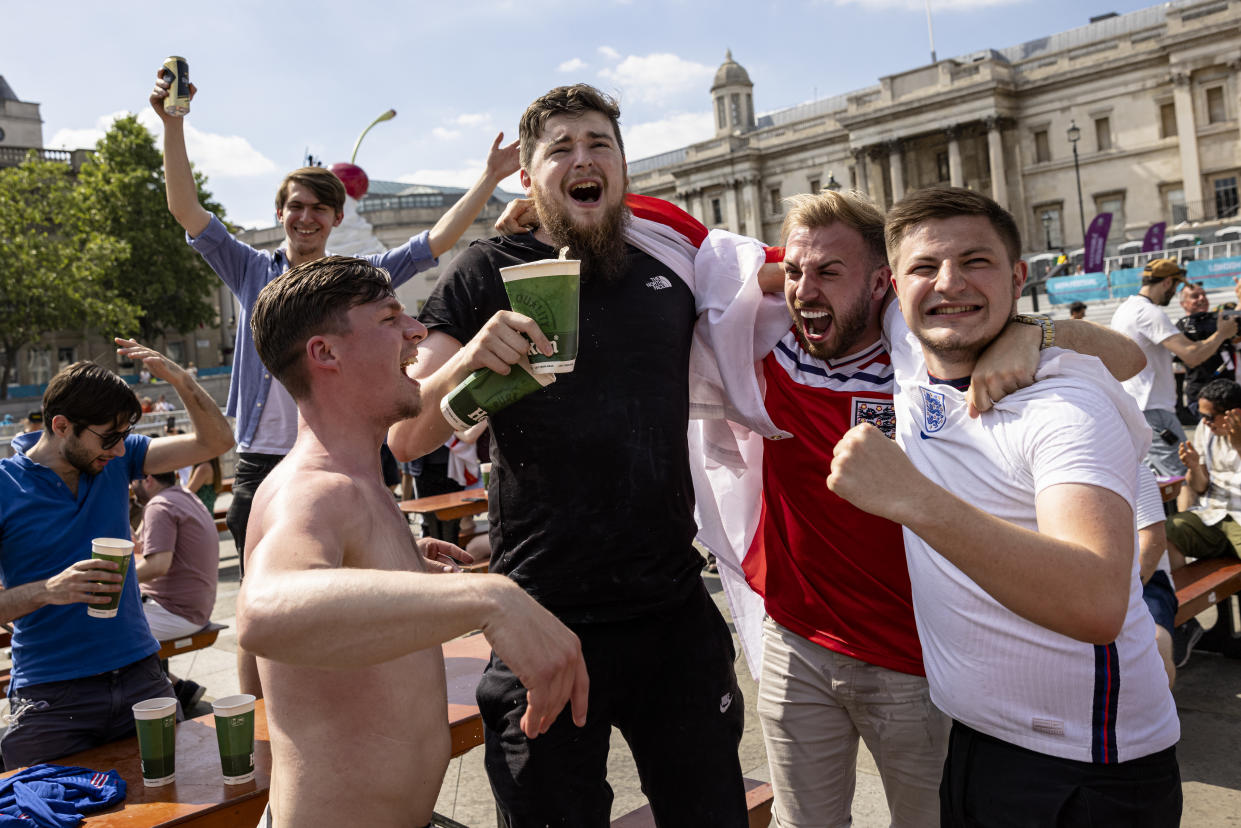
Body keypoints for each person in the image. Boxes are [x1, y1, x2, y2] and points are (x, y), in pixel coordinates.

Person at [389, 84, 750, 826]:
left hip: (672, 609)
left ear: (622, 167)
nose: (582, 159)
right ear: (528, 175)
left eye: (598, 144)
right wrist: (466, 363)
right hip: (542, 615)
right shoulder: (485, 268)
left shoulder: (672, 261)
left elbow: (793, 285)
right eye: (560, 149)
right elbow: (405, 435)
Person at [828, 187, 1181, 825]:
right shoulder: (915, 359)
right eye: (924, 268)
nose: (949, 283)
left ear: (1019, 276)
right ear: (892, 284)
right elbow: (797, 258)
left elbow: (1096, 600)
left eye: (976, 262)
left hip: (1085, 765)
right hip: (976, 740)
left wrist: (910, 498)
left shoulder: (1065, 402)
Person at [237, 256, 587, 827]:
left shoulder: (357, 484)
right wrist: (491, 598)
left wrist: (395, 570)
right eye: (389, 318)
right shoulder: (315, 489)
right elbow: (262, 612)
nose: (418, 331)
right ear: (325, 353)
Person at [149, 69, 520, 568]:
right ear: (279, 213)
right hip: (265, 456)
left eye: (320, 208)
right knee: (267, 602)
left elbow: (435, 242)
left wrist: (490, 178)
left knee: (366, 588)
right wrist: (173, 126)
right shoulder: (252, 269)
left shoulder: (360, 280)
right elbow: (185, 208)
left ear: (337, 219)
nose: (307, 217)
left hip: (347, 455)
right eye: (296, 206)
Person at [0, 342, 234, 769]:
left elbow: (217, 440)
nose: (121, 450)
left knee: (182, 799)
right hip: (52, 693)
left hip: (141, 676)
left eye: (125, 437)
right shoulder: (4, 488)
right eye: (110, 437)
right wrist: (48, 590)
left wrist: (180, 379)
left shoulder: (115, 461)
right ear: (62, 425)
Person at [1110, 258, 1238, 475]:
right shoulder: (1148, 312)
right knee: (1184, 476)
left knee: (1154, 482)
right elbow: (1192, 355)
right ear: (1167, 282)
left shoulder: (1125, 309)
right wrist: (1222, 334)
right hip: (1153, 409)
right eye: (1176, 286)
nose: (1174, 292)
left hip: (1137, 407)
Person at [131, 469, 220, 709]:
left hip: (177, 611)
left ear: (148, 479)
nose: (131, 487)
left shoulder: (159, 506)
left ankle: (164, 692)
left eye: (133, 480)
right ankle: (177, 687)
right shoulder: (185, 496)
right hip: (195, 607)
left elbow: (158, 565)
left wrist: (116, 578)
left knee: (96, 629)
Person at [1175, 281, 1238, 417]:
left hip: (1229, 392)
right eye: (1195, 296)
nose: (1202, 298)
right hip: (1204, 398)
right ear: (1183, 304)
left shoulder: (1216, 319)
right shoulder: (1184, 326)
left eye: (1203, 295)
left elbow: (1235, 321)